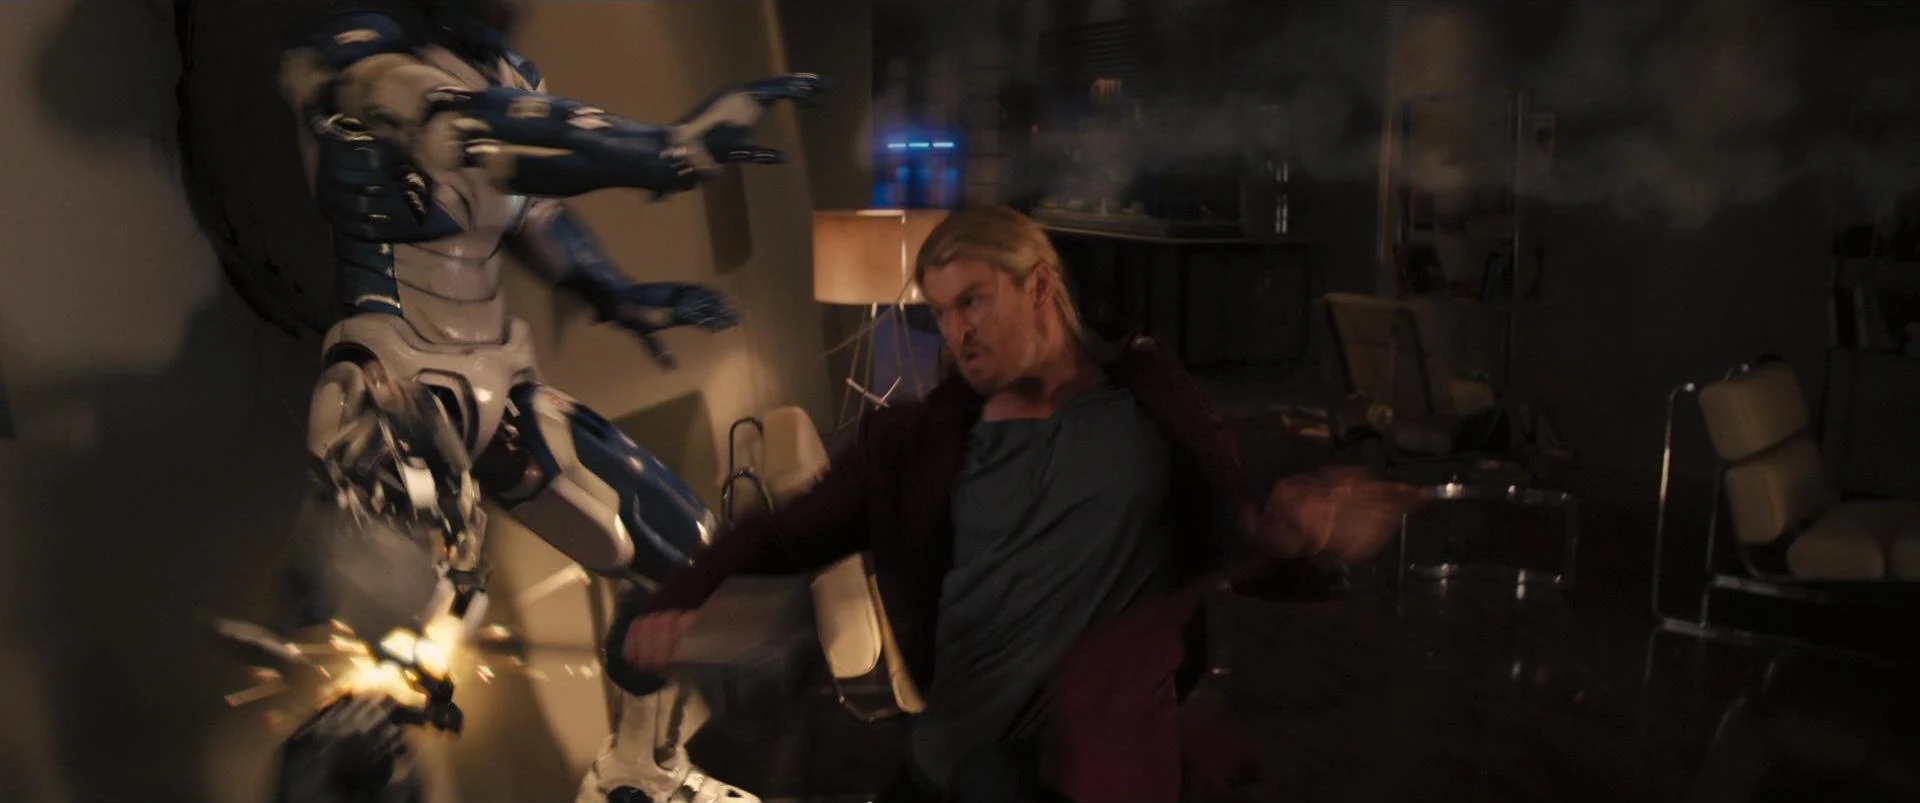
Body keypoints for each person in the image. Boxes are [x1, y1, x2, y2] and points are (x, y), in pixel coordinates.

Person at [599, 206, 1426, 803]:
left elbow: (1229, 531)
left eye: (974, 300)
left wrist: (1296, 534)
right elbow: (787, 531)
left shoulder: (1148, 400)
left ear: (1039, 287)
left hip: (1098, 772)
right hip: (953, 764)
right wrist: (683, 595)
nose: (956, 330)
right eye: (939, 312)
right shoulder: (918, 441)